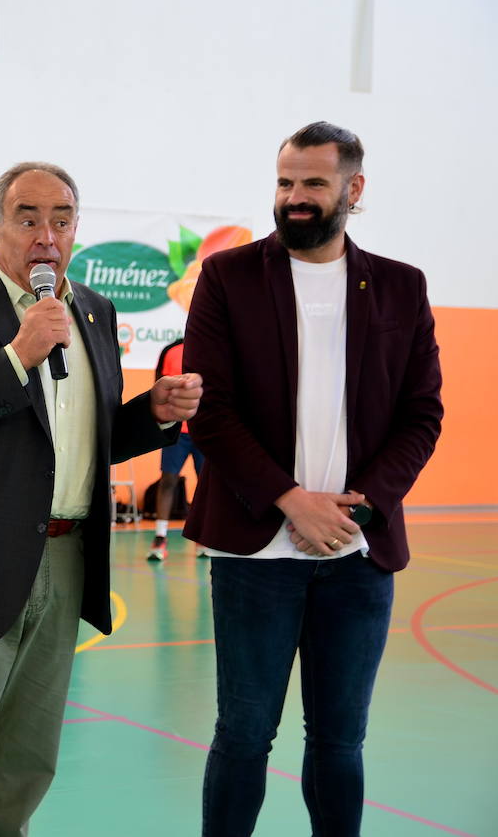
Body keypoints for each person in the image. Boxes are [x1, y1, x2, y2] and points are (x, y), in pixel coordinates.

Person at [0, 161, 203, 835]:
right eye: (28, 219)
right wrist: (15, 357)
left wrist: (152, 414)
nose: (46, 236)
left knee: (24, 764)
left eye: (61, 220)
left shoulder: (95, 310)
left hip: (62, 560)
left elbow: (80, 439)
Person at [184, 122, 443, 837]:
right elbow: (211, 410)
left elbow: (422, 413)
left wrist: (360, 509)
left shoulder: (401, 286)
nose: (294, 197)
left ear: (353, 189)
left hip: (357, 557)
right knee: (243, 735)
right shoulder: (228, 277)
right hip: (254, 556)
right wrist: (292, 501)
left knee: (340, 741)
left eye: (313, 184)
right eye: (285, 182)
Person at [146, 337, 207, 561]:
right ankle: (160, 538)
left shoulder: (210, 349)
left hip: (203, 431)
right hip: (176, 431)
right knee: (168, 480)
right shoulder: (170, 351)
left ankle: (204, 536)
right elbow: (158, 389)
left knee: (206, 485)